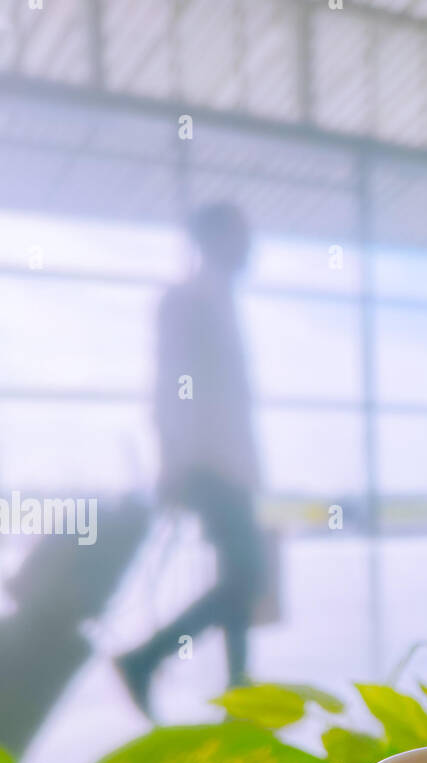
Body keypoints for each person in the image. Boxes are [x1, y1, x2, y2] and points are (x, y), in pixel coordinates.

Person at [116, 202, 265, 714]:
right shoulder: (187, 300)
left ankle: (240, 691)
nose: (250, 245)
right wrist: (175, 462)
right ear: (216, 236)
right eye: (242, 233)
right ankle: (146, 658)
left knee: (239, 579)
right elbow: (170, 387)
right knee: (246, 576)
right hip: (207, 465)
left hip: (229, 467)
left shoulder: (220, 300)